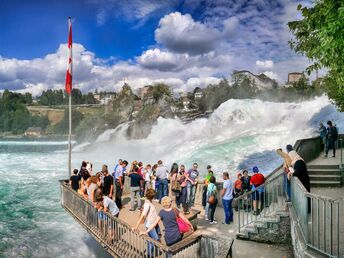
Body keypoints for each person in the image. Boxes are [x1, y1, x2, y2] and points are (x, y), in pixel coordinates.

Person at [133, 189, 161, 257]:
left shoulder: (149, 202)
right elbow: (142, 215)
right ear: (153, 196)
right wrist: (136, 226)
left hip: (154, 224)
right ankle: (149, 255)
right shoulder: (147, 204)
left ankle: (149, 254)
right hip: (150, 225)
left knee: (151, 239)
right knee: (155, 239)